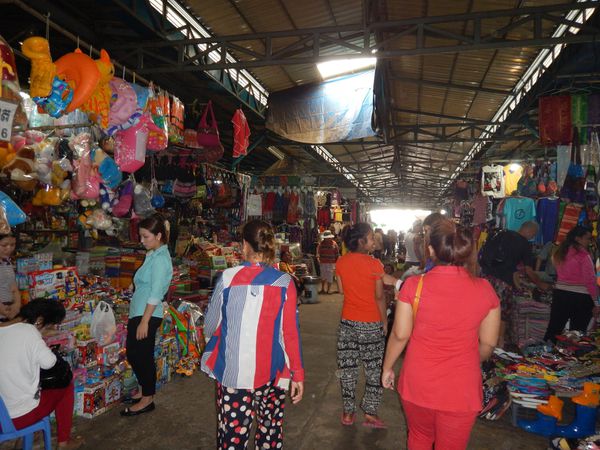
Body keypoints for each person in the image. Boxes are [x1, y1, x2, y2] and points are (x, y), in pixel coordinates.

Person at [382, 219, 500, 450]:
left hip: (418, 383)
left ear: (431, 249)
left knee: (419, 437)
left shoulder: (413, 285)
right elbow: (488, 343)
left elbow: (400, 335)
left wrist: (387, 368)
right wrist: (462, 363)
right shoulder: (485, 289)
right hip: (461, 389)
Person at [201, 220, 304, 449]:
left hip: (233, 374)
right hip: (273, 373)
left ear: (244, 245)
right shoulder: (284, 281)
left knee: (232, 436)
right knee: (270, 431)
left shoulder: (227, 278)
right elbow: (290, 333)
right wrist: (298, 374)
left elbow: (209, 326)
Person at [0, 300, 83, 449]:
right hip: (15, 420)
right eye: (49, 326)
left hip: (2, 415)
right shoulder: (29, 332)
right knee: (66, 384)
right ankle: (64, 442)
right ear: (39, 321)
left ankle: (31, 433)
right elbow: (49, 362)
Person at [335, 223, 387, 428]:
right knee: (374, 369)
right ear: (361, 242)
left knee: (348, 368)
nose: (374, 241)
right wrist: (384, 322)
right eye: (371, 237)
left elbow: (340, 290)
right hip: (371, 323)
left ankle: (348, 413)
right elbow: (380, 296)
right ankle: (370, 413)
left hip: (347, 322)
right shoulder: (375, 265)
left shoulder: (341, 262)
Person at [121, 214, 173, 416]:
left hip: (147, 314)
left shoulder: (160, 260)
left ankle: (147, 399)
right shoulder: (153, 255)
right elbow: (148, 281)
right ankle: (144, 390)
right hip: (140, 312)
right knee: (136, 354)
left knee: (140, 356)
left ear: (158, 235)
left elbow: (156, 293)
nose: (142, 241)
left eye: (145, 237)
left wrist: (145, 321)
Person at [479, 221, 550, 347]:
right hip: (502, 283)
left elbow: (511, 268)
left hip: (484, 279)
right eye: (534, 234)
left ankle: (479, 339)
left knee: (483, 310)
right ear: (530, 231)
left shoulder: (500, 234)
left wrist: (518, 284)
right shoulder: (524, 244)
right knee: (501, 313)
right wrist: (540, 284)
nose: (533, 236)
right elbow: (528, 271)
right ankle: (498, 342)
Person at [544, 226, 597, 343]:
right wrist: (597, 302)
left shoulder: (560, 252)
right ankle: (573, 357)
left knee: (554, 328)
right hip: (581, 297)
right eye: (587, 239)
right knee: (577, 332)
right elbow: (590, 280)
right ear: (578, 239)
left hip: (560, 294)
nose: (589, 242)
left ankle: (544, 353)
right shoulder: (583, 255)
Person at [0, 231, 20, 321]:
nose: (9, 249)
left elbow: (13, 287)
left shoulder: (7, 261)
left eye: (12, 245)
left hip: (9, 311)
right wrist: (2, 309)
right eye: (4, 245)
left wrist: (17, 305)